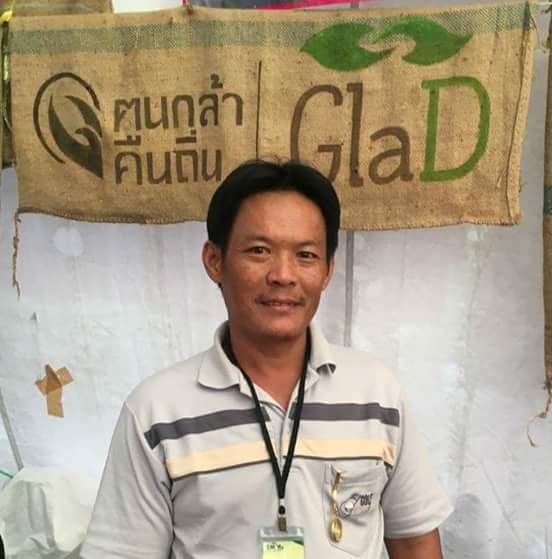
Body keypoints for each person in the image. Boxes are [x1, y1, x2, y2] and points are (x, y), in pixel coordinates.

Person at [80, 160, 453, 559]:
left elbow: (415, 542)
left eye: (306, 255)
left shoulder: (377, 396)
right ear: (214, 261)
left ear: (327, 270)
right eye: (259, 251)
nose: (283, 275)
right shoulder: (156, 412)